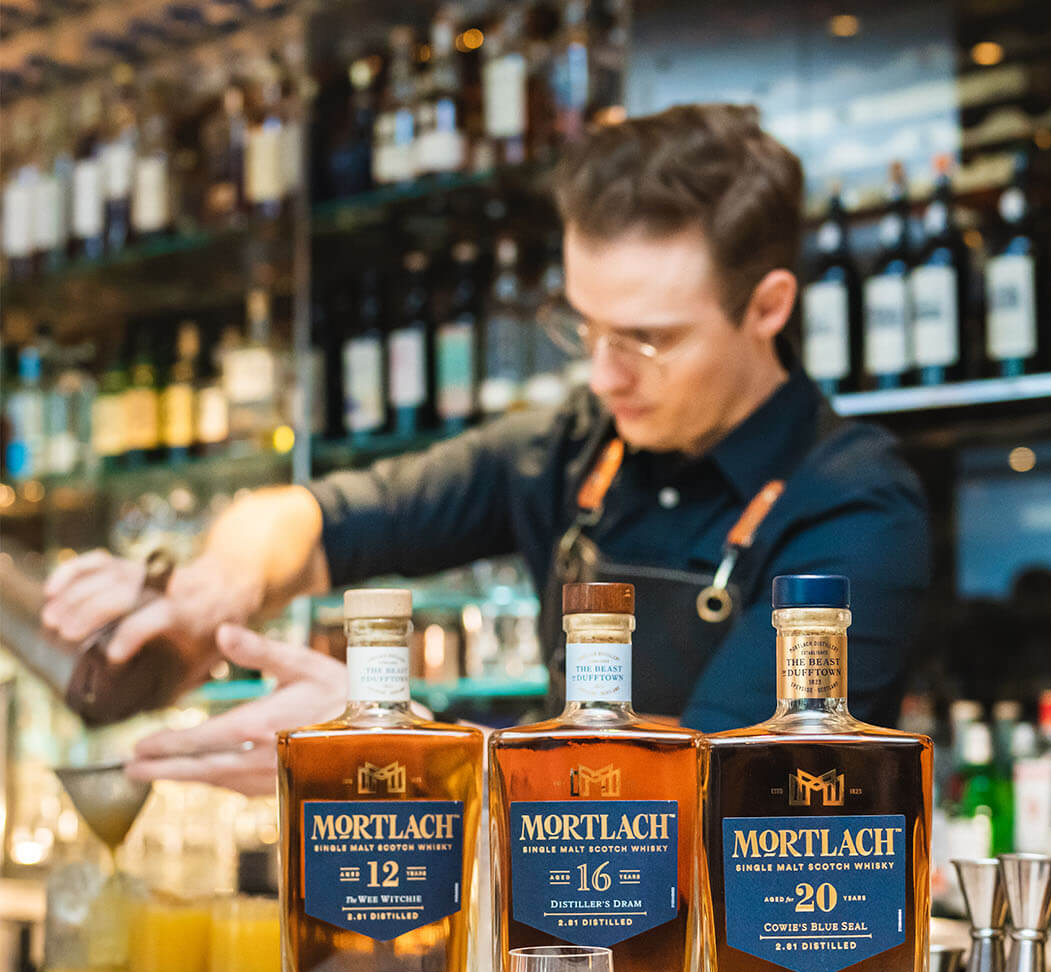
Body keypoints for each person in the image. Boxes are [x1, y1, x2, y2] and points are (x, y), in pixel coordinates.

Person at [41, 104, 930, 798]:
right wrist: (212, 591)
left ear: (768, 307)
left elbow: (718, 799)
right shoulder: (575, 449)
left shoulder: (854, 506)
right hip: (548, 947)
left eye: (647, 339)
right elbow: (309, 518)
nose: (603, 374)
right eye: (585, 327)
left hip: (748, 963)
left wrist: (402, 756)